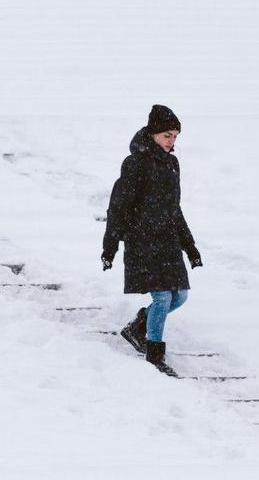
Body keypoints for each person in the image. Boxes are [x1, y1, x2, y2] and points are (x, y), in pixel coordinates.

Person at [102, 105, 203, 375]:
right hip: (143, 240)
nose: (171, 142)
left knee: (179, 297)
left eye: (175, 137)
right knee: (161, 298)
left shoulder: (172, 164)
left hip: (168, 241)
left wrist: (190, 247)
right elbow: (119, 206)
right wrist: (109, 248)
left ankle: (137, 328)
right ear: (153, 133)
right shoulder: (135, 163)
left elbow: (175, 208)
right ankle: (154, 356)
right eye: (167, 136)